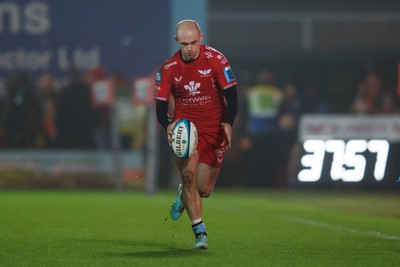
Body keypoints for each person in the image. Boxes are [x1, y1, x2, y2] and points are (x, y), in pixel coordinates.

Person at [155, 19, 238, 250]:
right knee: (189, 176)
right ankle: (200, 233)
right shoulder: (168, 68)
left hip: (213, 128)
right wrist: (169, 125)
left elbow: (232, 96)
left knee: (203, 190)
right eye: (184, 44)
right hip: (186, 128)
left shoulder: (216, 60)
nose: (190, 48)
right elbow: (161, 108)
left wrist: (228, 123)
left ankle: (183, 194)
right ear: (176, 42)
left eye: (193, 42)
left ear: (201, 37)